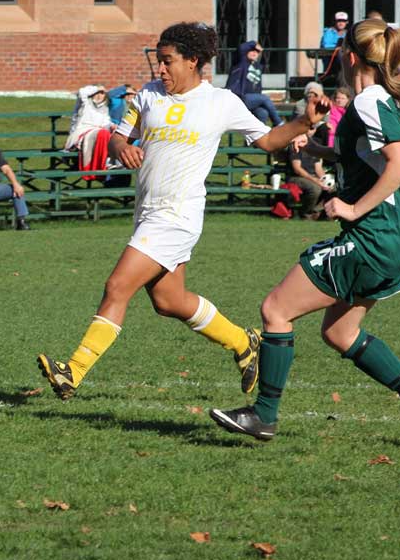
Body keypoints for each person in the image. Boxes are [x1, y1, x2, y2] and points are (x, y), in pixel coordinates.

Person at [36, 22, 329, 402]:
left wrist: (305, 121)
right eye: (158, 61)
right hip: (148, 212)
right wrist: (120, 147)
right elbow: (119, 138)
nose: (159, 70)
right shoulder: (148, 97)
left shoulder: (221, 103)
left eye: (167, 61)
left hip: (177, 215)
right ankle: (244, 343)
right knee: (169, 301)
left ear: (193, 61)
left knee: (117, 286)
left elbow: (270, 141)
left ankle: (72, 371)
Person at [210, 19, 400, 446]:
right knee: (340, 333)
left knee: (275, 310)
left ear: (350, 56)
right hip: (387, 239)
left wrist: (354, 206)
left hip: (371, 237)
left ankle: (264, 415)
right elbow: (369, 157)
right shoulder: (373, 100)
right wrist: (319, 148)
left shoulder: (369, 102)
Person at [225, 40, 284, 126]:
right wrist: (254, 44)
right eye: (252, 50)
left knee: (263, 113)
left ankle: (256, 138)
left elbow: (258, 88)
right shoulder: (240, 63)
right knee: (264, 98)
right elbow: (241, 48)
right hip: (239, 98)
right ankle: (278, 123)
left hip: (251, 101)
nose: (254, 53)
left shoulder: (258, 67)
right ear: (246, 52)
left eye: (257, 52)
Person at [65, 85, 116, 179]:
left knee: (112, 134)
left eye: (102, 93)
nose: (99, 95)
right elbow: (82, 92)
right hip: (81, 132)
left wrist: (112, 126)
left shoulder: (104, 108)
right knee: (102, 133)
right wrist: (97, 88)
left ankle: (109, 162)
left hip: (97, 132)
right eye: (97, 93)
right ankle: (98, 165)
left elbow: (106, 123)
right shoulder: (85, 104)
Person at [287, 130, 331, 219]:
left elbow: (318, 168)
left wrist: (325, 179)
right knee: (315, 188)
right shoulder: (297, 143)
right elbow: (297, 169)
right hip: (297, 177)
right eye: (308, 128)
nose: (310, 130)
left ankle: (317, 212)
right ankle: (305, 213)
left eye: (312, 128)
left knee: (331, 187)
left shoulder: (316, 143)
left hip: (312, 176)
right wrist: (315, 180)